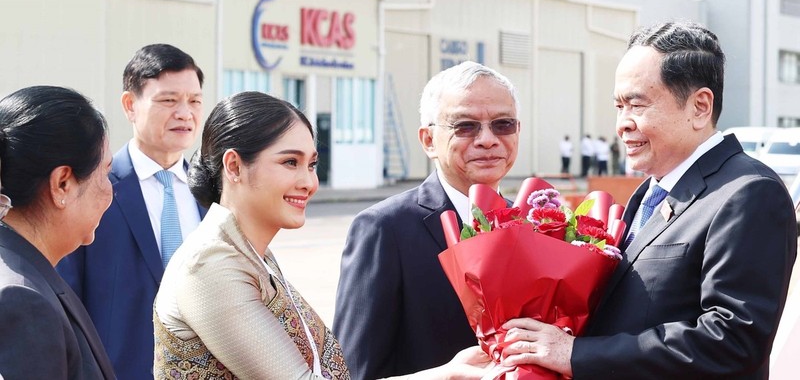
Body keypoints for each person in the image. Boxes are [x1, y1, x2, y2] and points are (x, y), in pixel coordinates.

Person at [499, 21, 798, 378]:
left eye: (636, 105)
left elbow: (731, 341)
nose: (622, 123)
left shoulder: (747, 192)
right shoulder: (651, 192)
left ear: (700, 106)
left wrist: (577, 354)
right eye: (618, 106)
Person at [152, 91, 490, 379]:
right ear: (234, 166)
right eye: (289, 162)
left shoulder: (250, 253)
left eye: (312, 165)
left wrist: (446, 372)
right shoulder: (211, 264)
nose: (308, 182)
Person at [334, 61, 521, 379]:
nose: (487, 139)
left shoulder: (535, 225)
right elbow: (353, 370)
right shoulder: (385, 230)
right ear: (428, 140)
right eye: (466, 126)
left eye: (503, 124)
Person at [57, 43, 207, 379]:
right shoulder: (93, 189)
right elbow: (66, 303)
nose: (185, 113)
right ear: (130, 105)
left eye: (194, 101)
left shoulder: (213, 195)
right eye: (169, 100)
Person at [0, 86, 116, 379]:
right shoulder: (23, 300)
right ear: (62, 184)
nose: (109, 190)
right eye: (105, 173)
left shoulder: (22, 272)